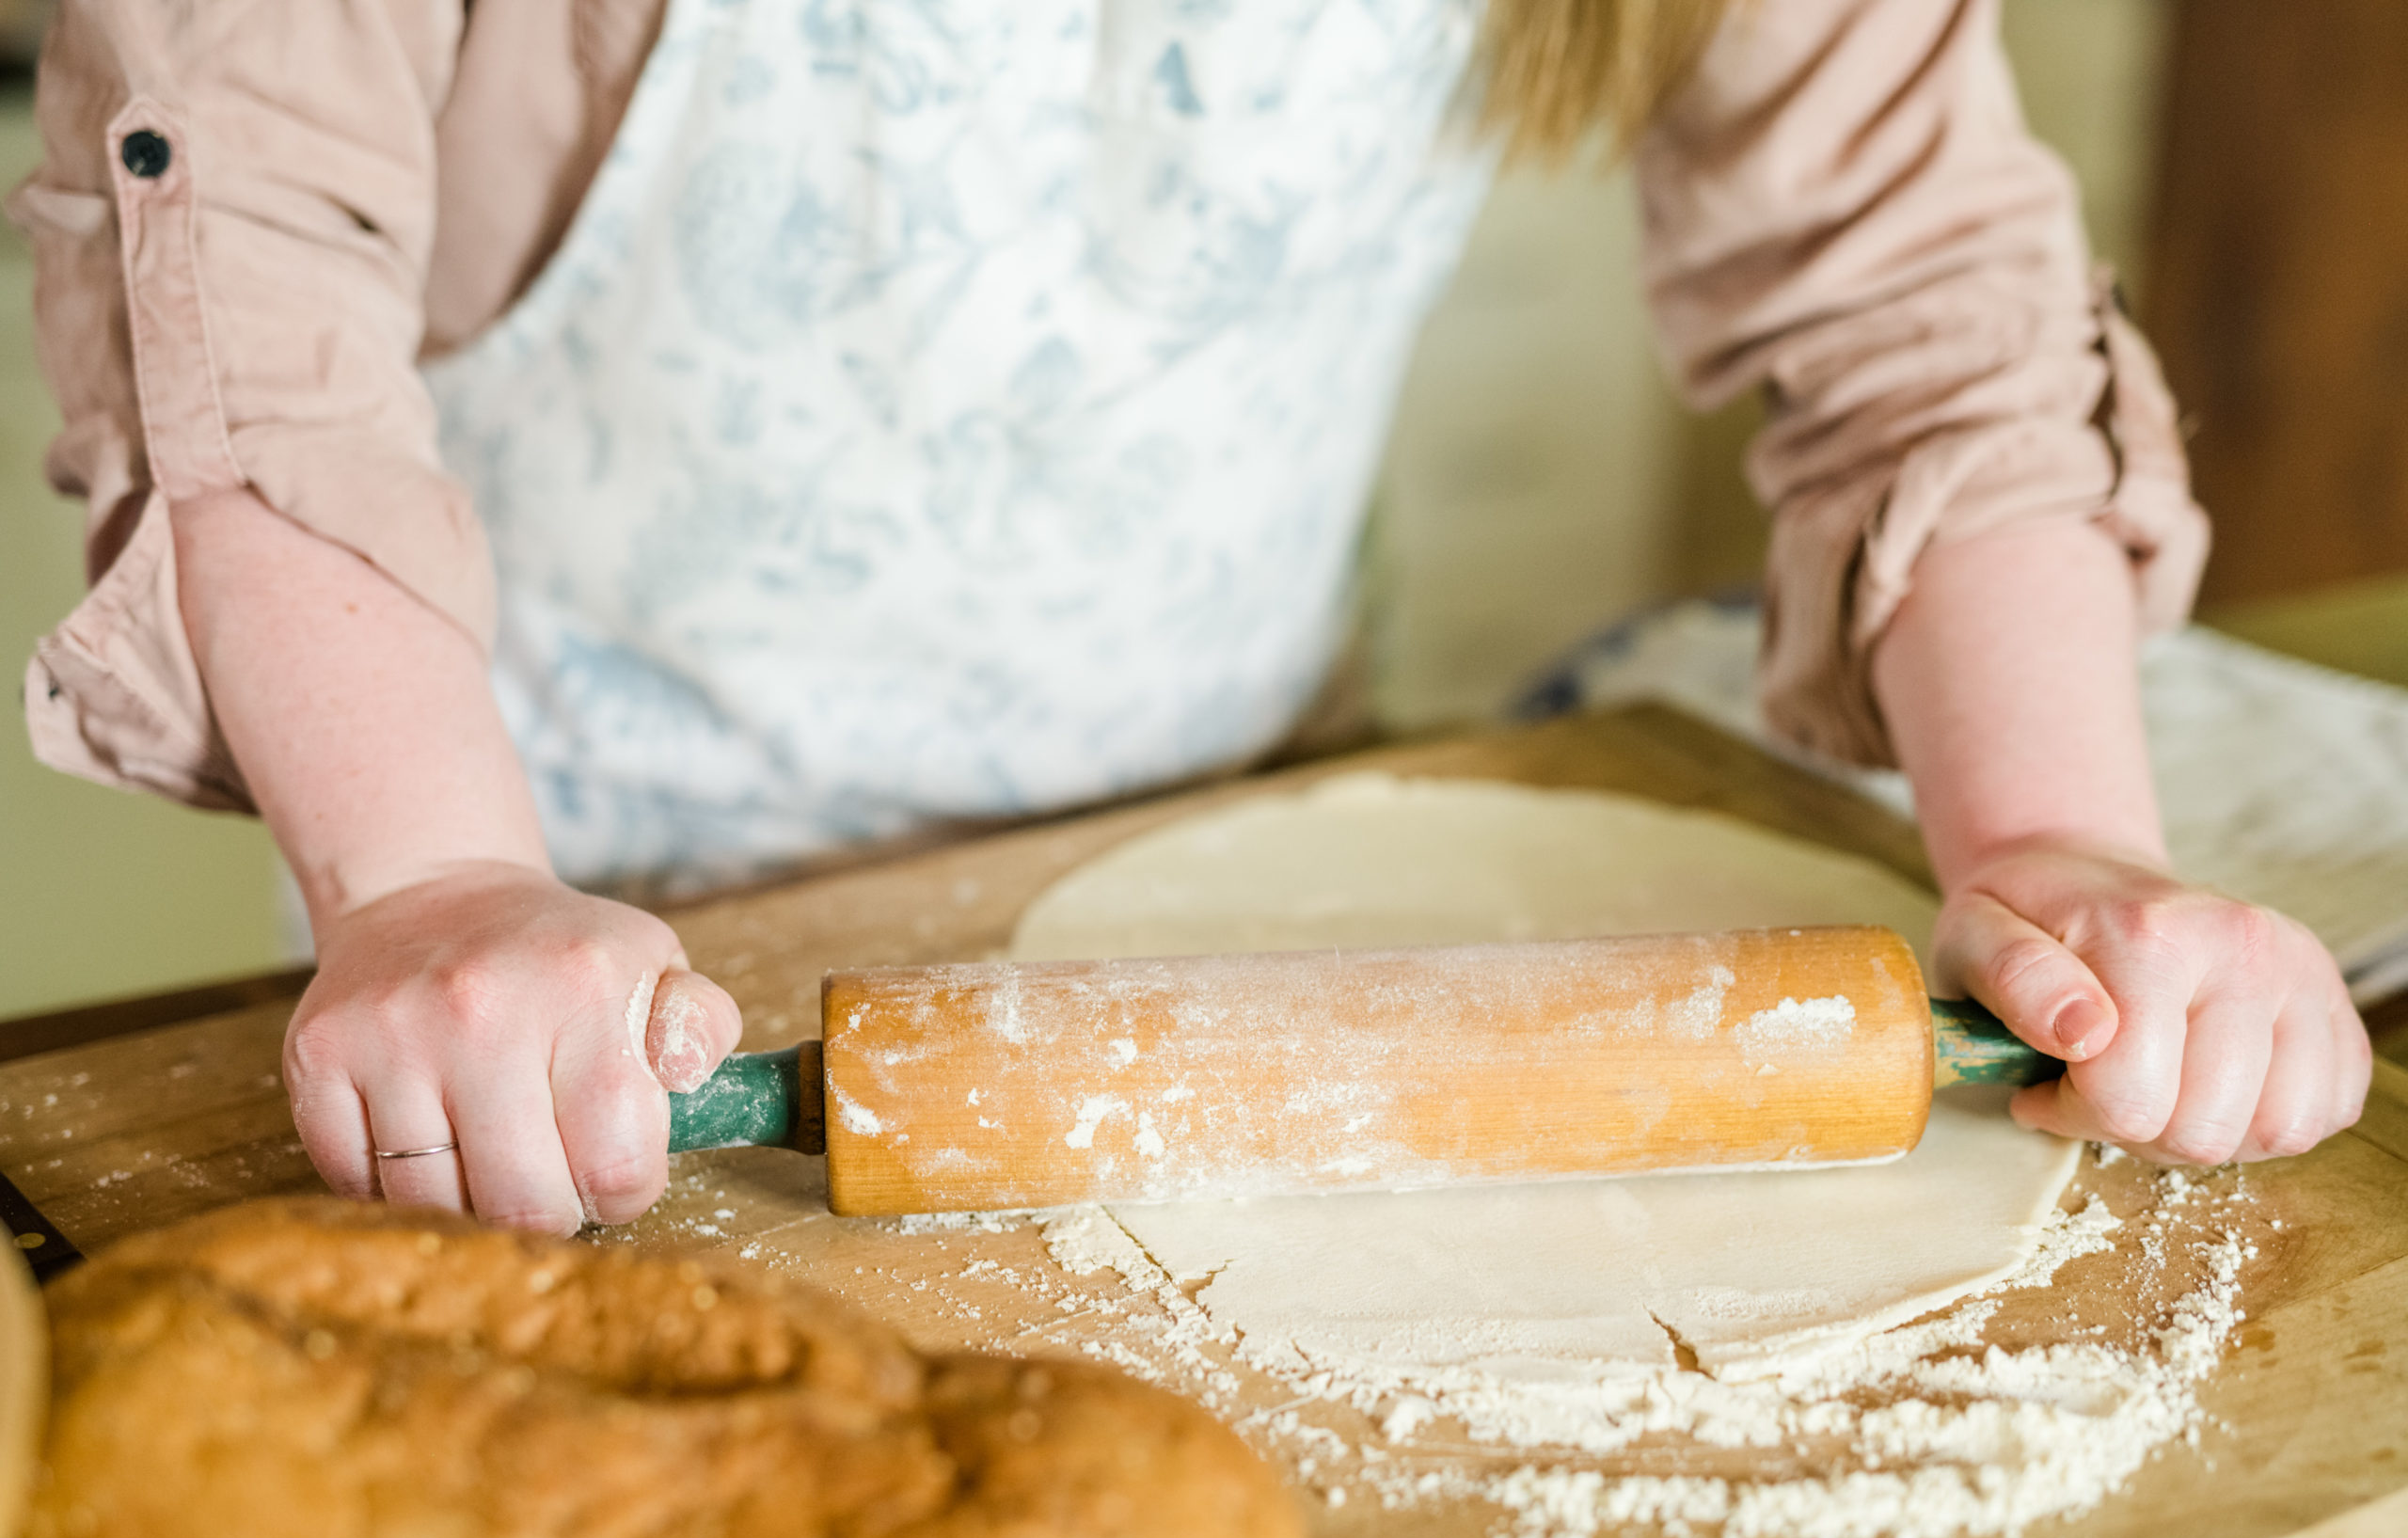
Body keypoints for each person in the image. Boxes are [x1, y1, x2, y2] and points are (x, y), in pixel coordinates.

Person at [13, 0, 2368, 1236]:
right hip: (583, 916)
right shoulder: (500, 904)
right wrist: (431, 876)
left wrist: (2066, 841)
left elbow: (1918, 297)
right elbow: (245, 258)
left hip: (1249, 804)